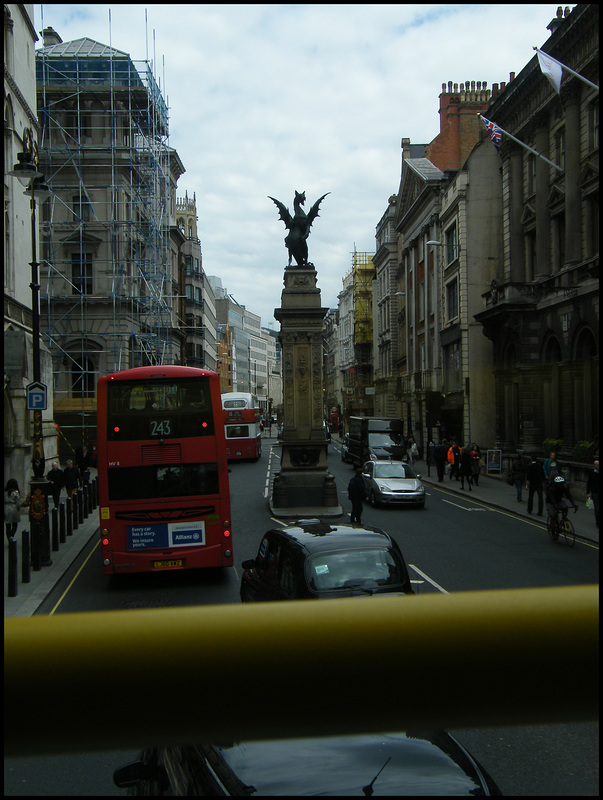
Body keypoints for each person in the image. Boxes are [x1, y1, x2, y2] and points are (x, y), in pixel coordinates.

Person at [585, 459, 599, 528]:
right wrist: (588, 492)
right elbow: (589, 483)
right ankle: (598, 523)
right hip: (595, 493)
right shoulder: (592, 473)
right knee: (597, 508)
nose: (597, 466)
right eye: (596, 464)